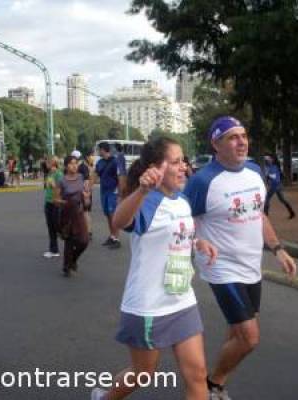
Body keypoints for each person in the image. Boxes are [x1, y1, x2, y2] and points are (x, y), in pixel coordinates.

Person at [90, 137, 217, 400]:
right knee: (143, 373)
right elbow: (119, 220)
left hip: (182, 300)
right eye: (175, 162)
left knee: (197, 373)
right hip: (149, 305)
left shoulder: (181, 200)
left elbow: (178, 231)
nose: (184, 167)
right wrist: (141, 191)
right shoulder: (147, 201)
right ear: (155, 168)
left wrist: (197, 241)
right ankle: (104, 398)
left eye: (183, 160)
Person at [184, 116, 297, 400]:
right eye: (233, 137)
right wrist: (196, 242)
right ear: (216, 143)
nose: (242, 142)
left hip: (251, 266)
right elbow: (181, 220)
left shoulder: (254, 171)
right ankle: (212, 384)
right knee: (249, 337)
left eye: (243, 136)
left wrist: (278, 248)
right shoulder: (202, 181)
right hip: (220, 267)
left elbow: (259, 215)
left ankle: (213, 386)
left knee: (237, 333)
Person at [54, 156, 91, 277]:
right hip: (67, 214)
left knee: (84, 241)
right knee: (69, 241)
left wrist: (86, 198)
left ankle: (73, 260)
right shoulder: (61, 180)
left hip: (79, 213)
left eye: (76, 163)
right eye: (71, 164)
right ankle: (66, 267)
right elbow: (55, 200)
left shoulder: (81, 177)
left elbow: (86, 200)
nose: (74, 166)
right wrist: (67, 202)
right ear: (66, 166)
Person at [95, 142, 121, 249]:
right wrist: (88, 187)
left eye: (99, 150)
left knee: (112, 215)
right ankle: (112, 236)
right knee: (108, 215)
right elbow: (95, 174)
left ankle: (116, 239)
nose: (98, 152)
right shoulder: (100, 162)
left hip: (113, 192)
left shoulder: (115, 162)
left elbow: (121, 178)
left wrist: (120, 193)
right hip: (103, 191)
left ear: (103, 150)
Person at [263, 154, 296, 219]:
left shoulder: (273, 167)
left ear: (272, 160)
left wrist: (267, 176)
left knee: (267, 199)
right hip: (277, 185)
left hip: (274, 185)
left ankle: (266, 215)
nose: (267, 160)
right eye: (267, 159)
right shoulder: (271, 166)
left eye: (269, 159)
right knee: (282, 200)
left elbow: (273, 177)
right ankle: (292, 212)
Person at [72, 150, 94, 239]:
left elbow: (86, 181)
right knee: (85, 212)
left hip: (84, 192)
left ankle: (87, 232)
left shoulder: (82, 167)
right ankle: (87, 231)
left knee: (85, 212)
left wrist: (86, 194)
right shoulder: (87, 166)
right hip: (87, 192)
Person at [43, 156, 63, 258]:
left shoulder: (58, 174)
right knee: (50, 226)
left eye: (48, 162)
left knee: (57, 226)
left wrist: (53, 184)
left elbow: (60, 188)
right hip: (48, 202)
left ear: (53, 163)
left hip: (56, 203)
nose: (46, 163)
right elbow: (47, 187)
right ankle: (53, 250)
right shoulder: (49, 173)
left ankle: (72, 242)